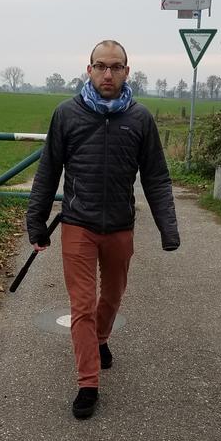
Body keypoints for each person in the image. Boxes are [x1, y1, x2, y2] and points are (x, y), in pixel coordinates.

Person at [26, 39, 180, 420]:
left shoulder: (140, 119)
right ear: (89, 69)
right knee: (81, 305)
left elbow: (157, 178)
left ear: (127, 71)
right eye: (100, 66)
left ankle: (102, 338)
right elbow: (48, 172)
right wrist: (37, 223)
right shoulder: (67, 115)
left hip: (120, 228)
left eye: (115, 66)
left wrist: (168, 229)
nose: (107, 73)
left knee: (111, 298)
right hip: (78, 225)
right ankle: (88, 383)